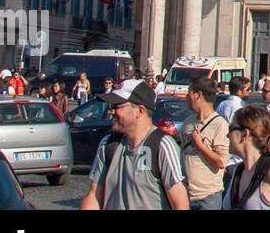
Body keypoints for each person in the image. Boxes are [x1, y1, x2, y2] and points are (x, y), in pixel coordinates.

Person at [80, 80, 187, 210]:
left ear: (139, 111)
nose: (110, 111)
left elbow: (180, 204)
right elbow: (94, 196)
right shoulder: (108, 144)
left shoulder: (162, 145)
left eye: (117, 106)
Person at [180, 77, 230, 209]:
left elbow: (221, 162)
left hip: (208, 197)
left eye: (188, 92)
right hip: (186, 194)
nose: (186, 97)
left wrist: (200, 146)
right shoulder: (188, 122)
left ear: (198, 95)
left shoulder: (220, 124)